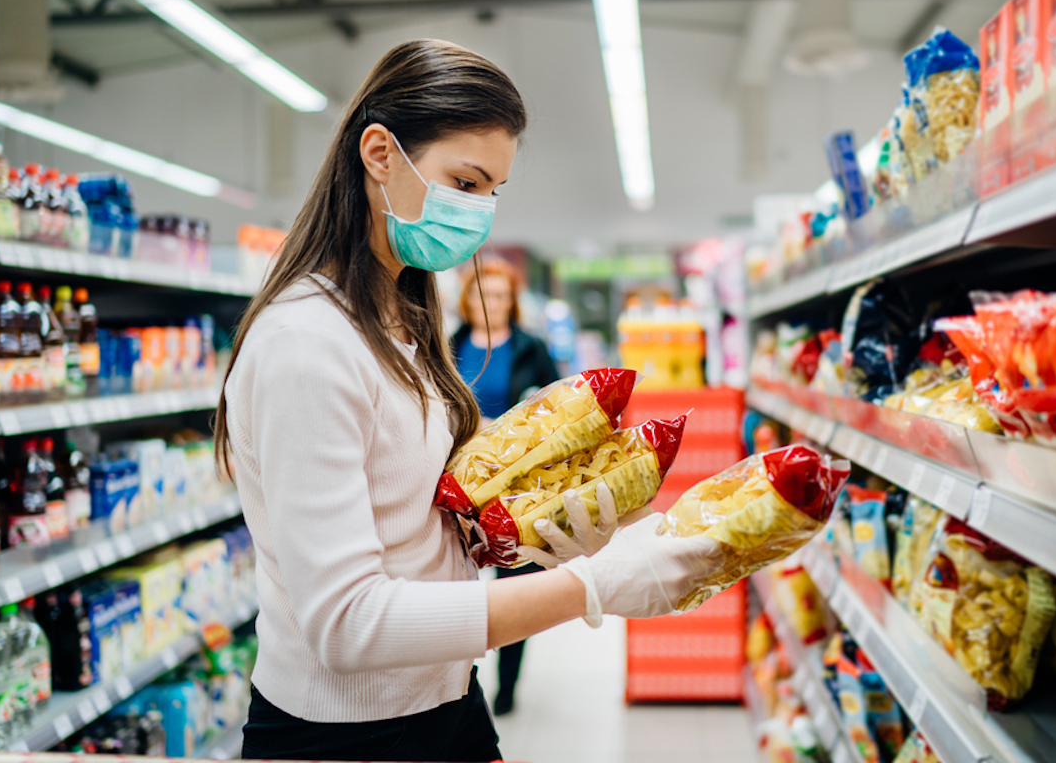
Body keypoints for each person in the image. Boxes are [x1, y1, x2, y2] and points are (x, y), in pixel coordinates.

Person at [215, 39, 721, 763]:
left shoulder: (398, 317)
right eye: (465, 181)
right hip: (345, 738)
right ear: (379, 154)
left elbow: (415, 515)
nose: (480, 214)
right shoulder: (305, 344)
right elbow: (349, 624)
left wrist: (551, 521)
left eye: (492, 192)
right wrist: (591, 586)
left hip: (446, 705)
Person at [450, 259, 558, 716]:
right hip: (458, 484)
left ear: (511, 302)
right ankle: (460, 677)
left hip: (516, 486)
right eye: (481, 294)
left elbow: (558, 408)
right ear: (467, 300)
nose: (490, 303)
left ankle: (507, 685)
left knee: (514, 583)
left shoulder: (532, 348)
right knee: (458, 583)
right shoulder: (446, 344)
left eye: (499, 295)